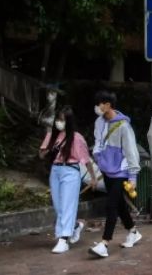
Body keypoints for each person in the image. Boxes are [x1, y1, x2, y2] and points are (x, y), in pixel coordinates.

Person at [90, 90, 142, 258]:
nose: (97, 107)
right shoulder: (99, 122)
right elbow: (98, 142)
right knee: (119, 204)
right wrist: (98, 158)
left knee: (111, 205)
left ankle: (104, 243)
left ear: (108, 105)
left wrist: (133, 176)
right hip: (107, 170)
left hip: (121, 171)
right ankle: (133, 231)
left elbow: (131, 151)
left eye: (100, 104)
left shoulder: (123, 126)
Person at [39, 105, 97, 254]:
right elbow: (41, 155)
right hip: (56, 170)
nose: (59, 122)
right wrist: (47, 149)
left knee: (67, 205)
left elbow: (86, 159)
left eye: (63, 120)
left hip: (71, 171)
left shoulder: (76, 138)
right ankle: (75, 226)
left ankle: (63, 239)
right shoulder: (52, 135)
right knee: (59, 207)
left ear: (69, 121)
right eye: (58, 119)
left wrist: (93, 177)